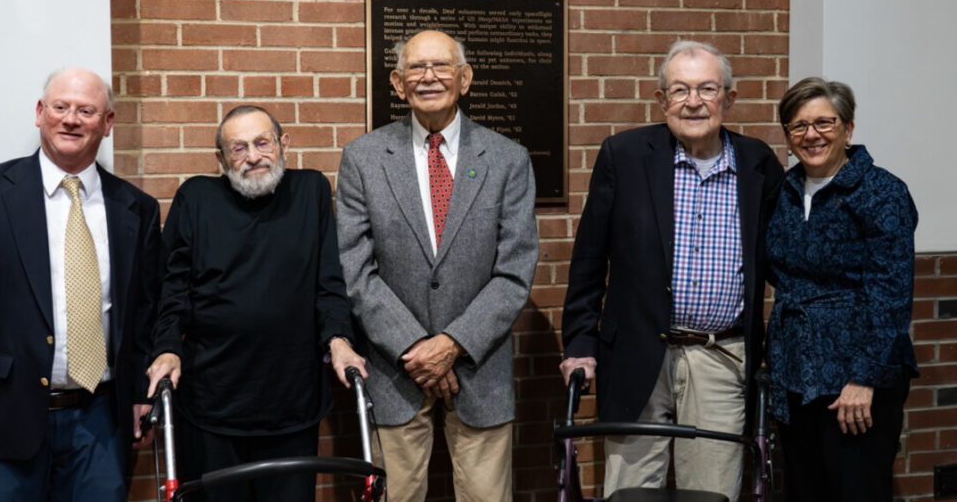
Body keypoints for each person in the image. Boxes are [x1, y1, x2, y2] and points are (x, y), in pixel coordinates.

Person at [560, 41, 785, 500]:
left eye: (706, 88)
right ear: (662, 100)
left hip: (722, 359)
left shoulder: (758, 163)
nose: (694, 102)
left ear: (729, 98)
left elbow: (784, 263)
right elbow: (588, 261)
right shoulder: (623, 156)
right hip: (635, 356)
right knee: (631, 492)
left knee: (712, 491)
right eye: (680, 90)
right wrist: (580, 345)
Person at [0, 68, 160, 501]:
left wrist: (138, 396)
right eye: (60, 107)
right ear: (40, 113)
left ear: (108, 123)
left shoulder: (136, 209)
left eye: (86, 110)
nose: (71, 119)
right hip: (2, 417)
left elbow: (144, 311)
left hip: (102, 424)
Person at [336, 30, 538, 501]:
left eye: (441, 66)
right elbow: (354, 267)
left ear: (464, 79)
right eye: (416, 68)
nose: (429, 78)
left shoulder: (507, 159)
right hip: (395, 371)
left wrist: (453, 344)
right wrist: (416, 347)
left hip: (479, 370)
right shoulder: (363, 159)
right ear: (397, 82)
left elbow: (515, 271)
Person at [145, 105, 367, 501]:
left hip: (292, 402)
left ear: (283, 144)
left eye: (262, 143)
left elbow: (328, 282)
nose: (252, 156)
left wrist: (338, 339)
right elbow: (171, 289)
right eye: (238, 148)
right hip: (212, 402)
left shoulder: (311, 191)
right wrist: (166, 347)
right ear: (220, 159)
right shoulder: (196, 198)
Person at [765, 77, 918, 502]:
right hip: (796, 371)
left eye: (824, 122)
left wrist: (863, 379)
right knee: (805, 488)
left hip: (856, 380)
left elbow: (891, 294)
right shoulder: (787, 192)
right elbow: (784, 274)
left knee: (856, 489)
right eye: (798, 126)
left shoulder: (882, 193)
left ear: (848, 128)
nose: (811, 135)